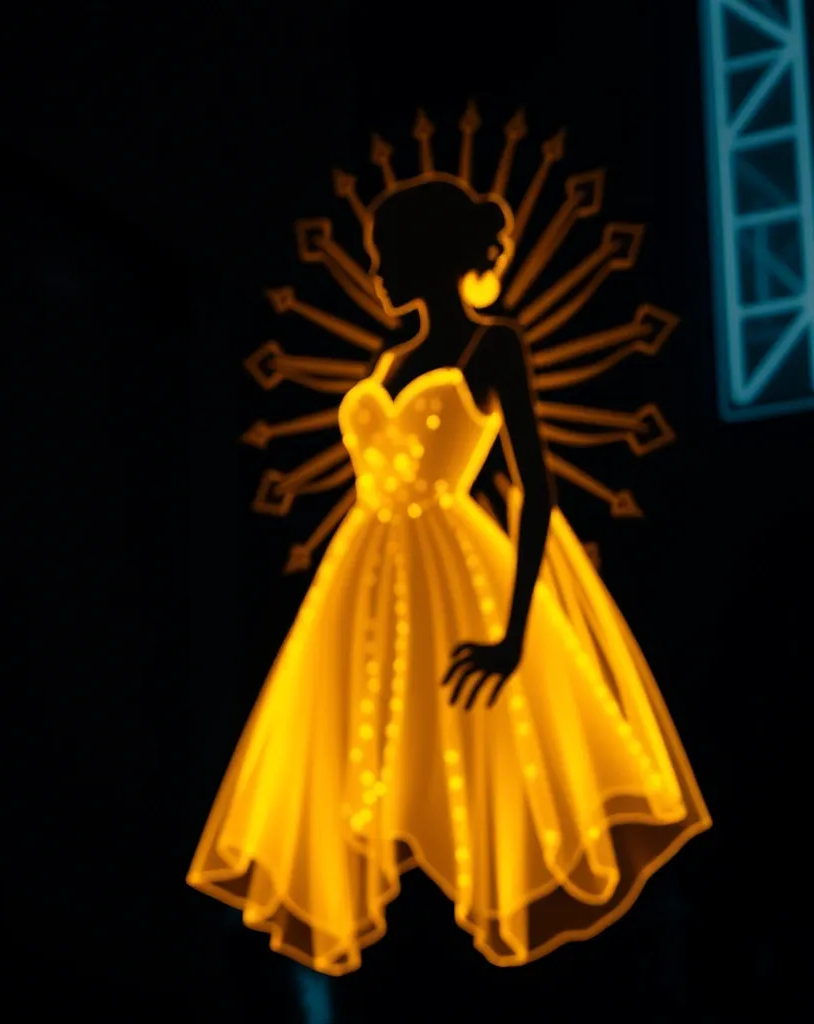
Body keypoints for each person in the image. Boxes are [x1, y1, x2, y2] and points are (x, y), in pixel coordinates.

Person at [187, 172, 710, 974]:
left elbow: (537, 490)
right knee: (363, 766)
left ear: (427, 253)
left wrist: (514, 631)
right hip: (360, 581)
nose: (377, 272)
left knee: (472, 760)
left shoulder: (490, 346)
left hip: (453, 566)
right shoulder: (389, 356)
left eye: (387, 253)